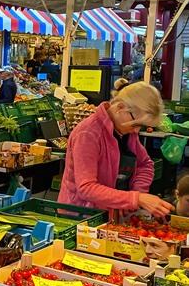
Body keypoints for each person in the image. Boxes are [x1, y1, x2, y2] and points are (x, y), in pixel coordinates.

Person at [58, 82, 174, 218]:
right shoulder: (87, 134)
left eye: (141, 126)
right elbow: (86, 188)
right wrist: (136, 199)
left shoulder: (126, 131)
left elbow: (145, 164)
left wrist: (137, 194)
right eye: (136, 124)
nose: (136, 130)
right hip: (80, 215)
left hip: (112, 214)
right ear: (120, 107)